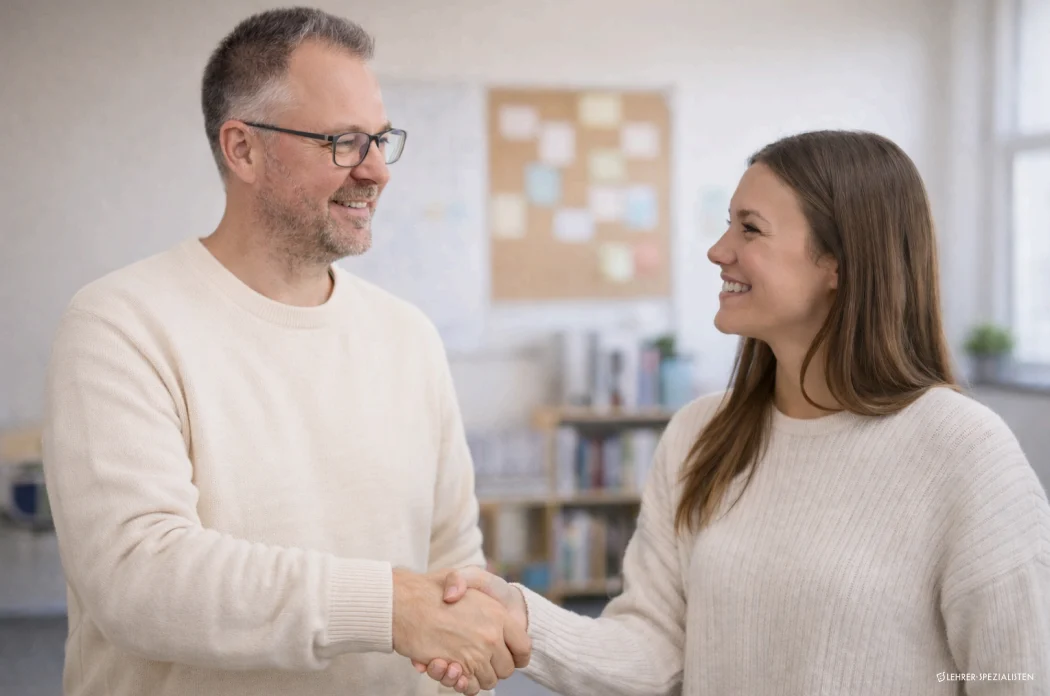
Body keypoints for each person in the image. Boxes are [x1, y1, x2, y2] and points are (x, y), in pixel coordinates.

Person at [417, 129, 1050, 695]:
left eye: (750, 228)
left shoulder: (964, 452)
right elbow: (654, 650)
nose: (719, 251)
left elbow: (1020, 676)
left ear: (839, 261)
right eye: (728, 225)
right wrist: (517, 618)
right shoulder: (700, 434)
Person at [41, 7, 528, 696]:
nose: (377, 172)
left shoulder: (409, 336)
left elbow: (451, 562)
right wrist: (388, 607)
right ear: (242, 150)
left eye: (382, 140)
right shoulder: (120, 324)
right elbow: (139, 578)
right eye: (344, 143)